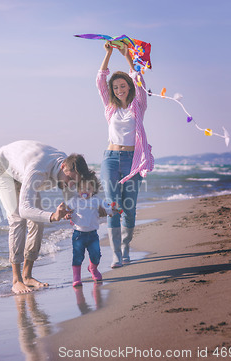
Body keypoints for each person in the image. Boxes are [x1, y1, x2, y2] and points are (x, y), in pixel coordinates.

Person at [0, 140, 92, 294]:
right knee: (18, 219)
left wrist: (73, 210)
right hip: (3, 169)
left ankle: (27, 276)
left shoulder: (69, 166)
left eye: (74, 182)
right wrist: (53, 216)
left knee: (38, 222)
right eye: (69, 180)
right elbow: (25, 210)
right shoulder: (38, 171)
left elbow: (71, 198)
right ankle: (16, 280)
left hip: (23, 169)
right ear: (63, 166)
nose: (70, 184)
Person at [96, 42, 154, 268]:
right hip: (110, 159)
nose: (119, 90)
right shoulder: (110, 108)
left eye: (123, 86)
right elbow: (100, 81)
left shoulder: (138, 106)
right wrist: (108, 55)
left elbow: (139, 81)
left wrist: (128, 57)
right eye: (116, 87)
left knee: (128, 209)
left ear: (128, 87)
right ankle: (116, 255)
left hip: (133, 162)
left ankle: (126, 246)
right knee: (113, 205)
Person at [66, 172, 116, 287]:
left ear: (94, 189)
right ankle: (76, 277)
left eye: (88, 188)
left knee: (96, 255)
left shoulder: (96, 200)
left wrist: (112, 210)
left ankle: (93, 269)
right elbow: (67, 209)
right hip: (78, 234)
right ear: (77, 189)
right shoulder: (74, 200)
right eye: (82, 188)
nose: (85, 191)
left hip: (93, 234)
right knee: (77, 256)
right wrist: (67, 215)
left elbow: (107, 208)